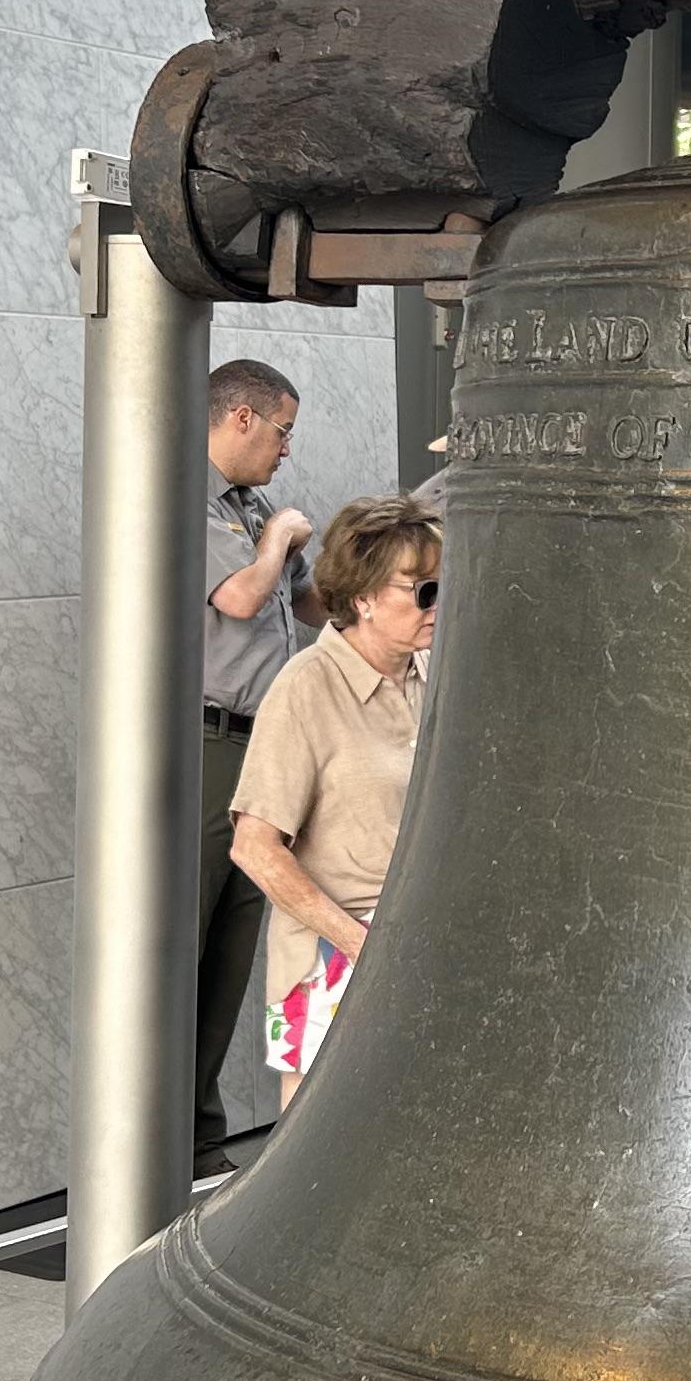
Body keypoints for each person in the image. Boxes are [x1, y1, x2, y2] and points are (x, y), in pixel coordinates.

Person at [226, 496, 440, 1110]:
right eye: (422, 590)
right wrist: (357, 942)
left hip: (419, 944)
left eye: (444, 587)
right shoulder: (304, 688)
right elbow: (254, 847)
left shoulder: (431, 670)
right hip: (335, 962)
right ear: (365, 598)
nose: (437, 605)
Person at [197, 359, 321, 1157]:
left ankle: (200, 1138)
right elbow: (239, 598)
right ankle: (159, 1138)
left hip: (258, 748)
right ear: (240, 417)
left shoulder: (252, 506)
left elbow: (308, 603)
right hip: (206, 745)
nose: (284, 451)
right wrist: (277, 539)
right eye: (280, 432)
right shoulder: (188, 495)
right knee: (186, 938)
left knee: (234, 944)